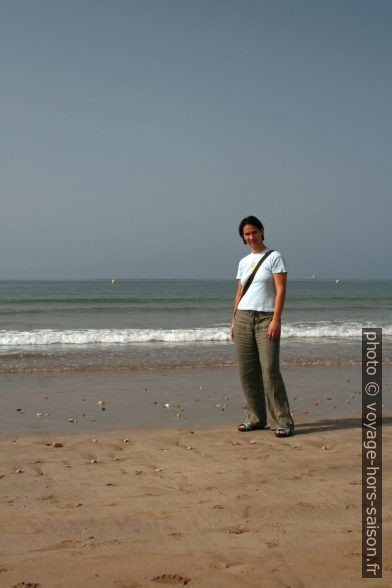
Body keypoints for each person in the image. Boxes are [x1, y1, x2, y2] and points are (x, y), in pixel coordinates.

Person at [230, 215, 294, 437]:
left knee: (269, 370)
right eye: (246, 234)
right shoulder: (243, 262)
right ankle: (255, 418)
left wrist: (277, 319)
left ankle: (283, 422)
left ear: (261, 231)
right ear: (243, 237)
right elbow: (239, 292)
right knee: (247, 371)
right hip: (243, 319)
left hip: (266, 318)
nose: (251, 236)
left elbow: (281, 290)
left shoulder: (275, 257)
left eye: (254, 232)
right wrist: (233, 320)